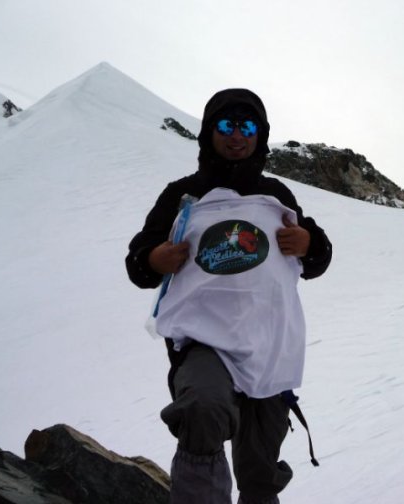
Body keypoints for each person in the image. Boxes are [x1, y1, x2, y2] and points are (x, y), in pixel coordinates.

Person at [125, 88, 332, 504]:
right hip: (203, 339)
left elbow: (317, 259)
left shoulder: (276, 194)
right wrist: (154, 258)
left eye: (248, 126)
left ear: (261, 135)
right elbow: (138, 263)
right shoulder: (183, 194)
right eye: (226, 124)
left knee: (259, 464)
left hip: (268, 342)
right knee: (202, 409)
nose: (237, 135)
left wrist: (309, 243)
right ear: (208, 131)